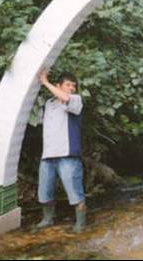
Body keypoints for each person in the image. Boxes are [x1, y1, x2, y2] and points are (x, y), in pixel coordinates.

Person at [34, 70, 87, 233]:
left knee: (74, 191)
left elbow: (65, 98)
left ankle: (80, 224)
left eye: (74, 86)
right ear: (59, 86)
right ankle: (47, 219)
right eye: (68, 85)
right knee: (44, 190)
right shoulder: (48, 103)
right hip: (48, 155)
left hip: (68, 155)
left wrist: (45, 81)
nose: (71, 88)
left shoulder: (75, 100)